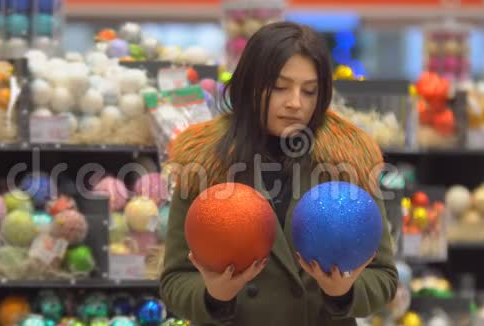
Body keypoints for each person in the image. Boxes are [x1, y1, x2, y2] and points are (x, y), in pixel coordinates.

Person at [159, 22, 398, 326]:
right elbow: (175, 279)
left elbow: (385, 276)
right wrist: (214, 296)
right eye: (279, 87)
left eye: (309, 91)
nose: (295, 103)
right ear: (249, 83)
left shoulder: (349, 161)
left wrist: (343, 293)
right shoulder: (203, 163)